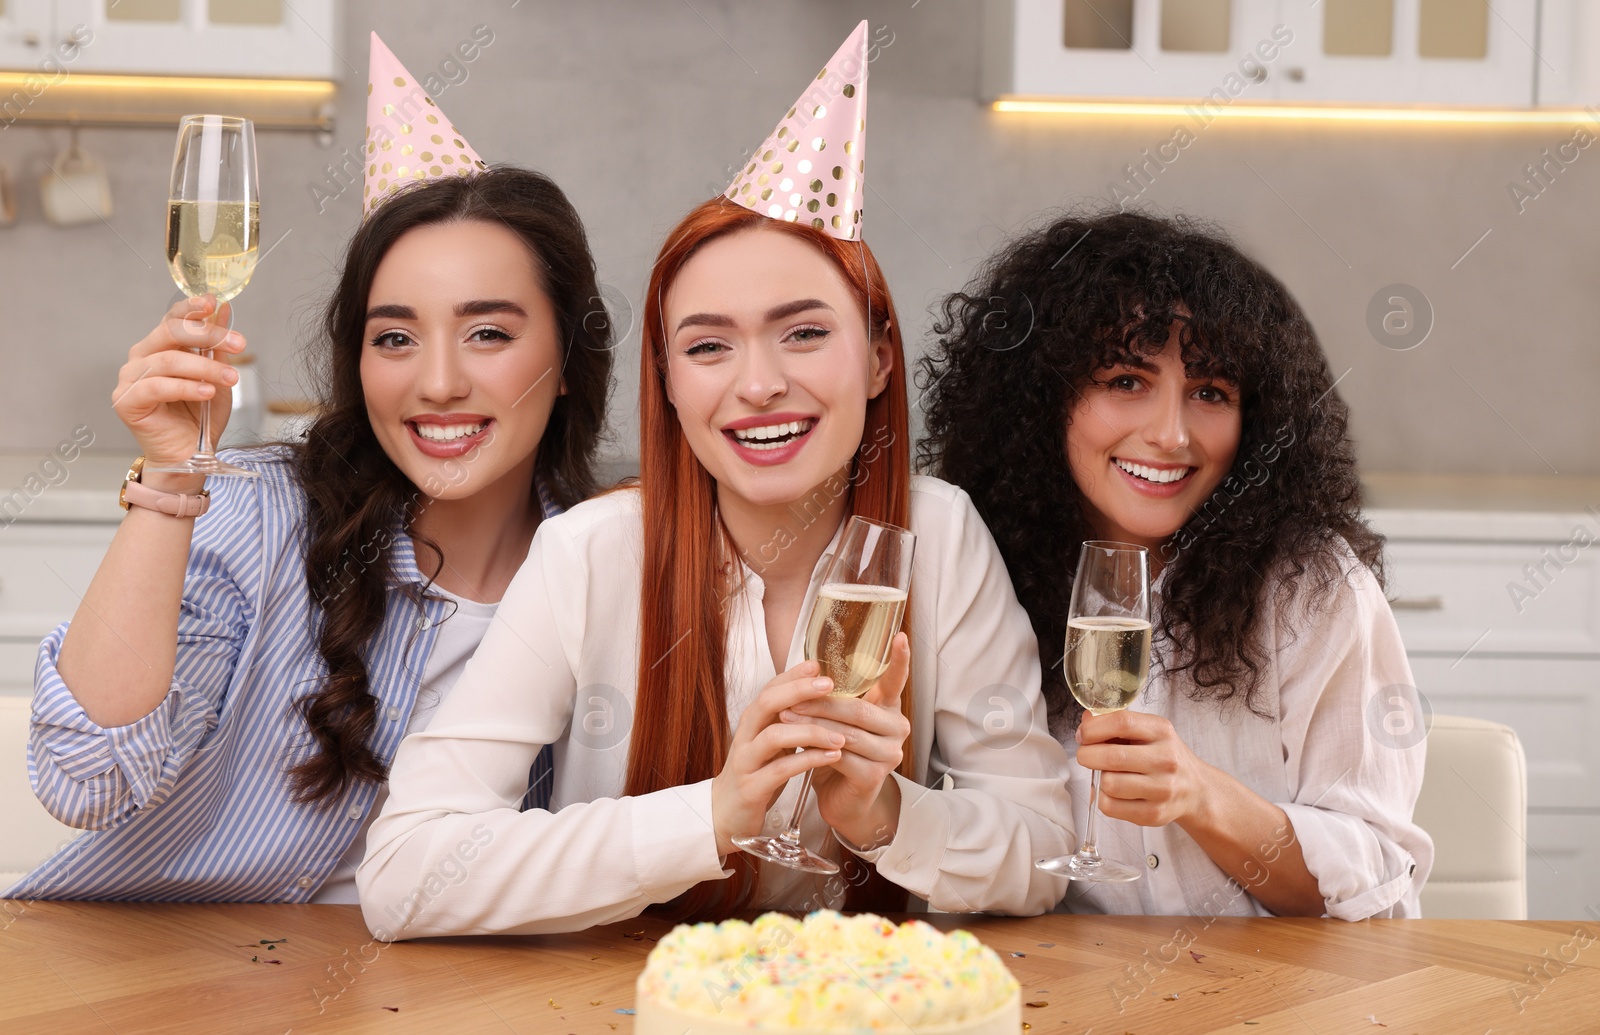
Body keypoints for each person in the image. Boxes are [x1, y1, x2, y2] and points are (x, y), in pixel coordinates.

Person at [356, 23, 1073, 939]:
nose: (759, 382)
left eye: (805, 332)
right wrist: (711, 815)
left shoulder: (939, 535)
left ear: (880, 357)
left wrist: (883, 814)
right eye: (707, 346)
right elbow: (406, 873)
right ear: (668, 382)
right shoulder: (592, 552)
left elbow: (1046, 848)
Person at [6, 36, 613, 903]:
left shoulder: (605, 570)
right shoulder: (261, 516)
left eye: (488, 332)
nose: (437, 383)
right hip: (149, 980)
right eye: (394, 337)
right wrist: (171, 477)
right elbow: (84, 779)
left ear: (565, 360)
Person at [918, 209, 1432, 920]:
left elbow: (1373, 880)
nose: (1170, 433)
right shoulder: (974, 575)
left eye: (1210, 392)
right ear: (1041, 399)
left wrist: (1202, 795)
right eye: (1127, 380)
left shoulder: (1312, 588)